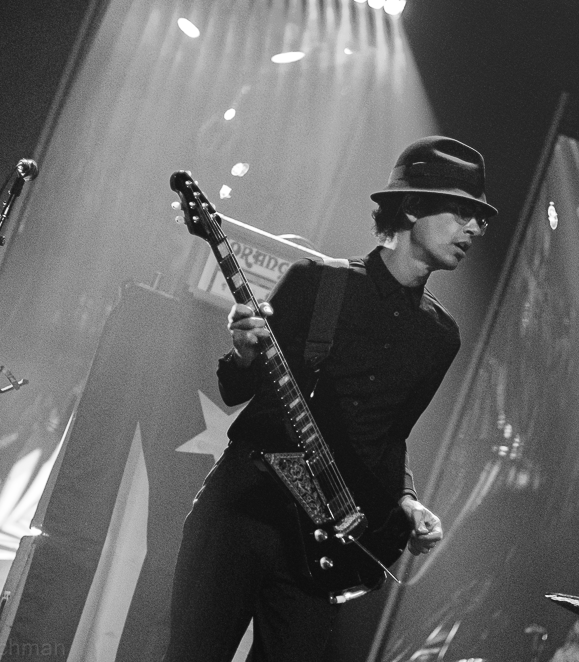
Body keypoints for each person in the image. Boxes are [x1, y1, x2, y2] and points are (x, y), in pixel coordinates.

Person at [164, 136, 498, 662]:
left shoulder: (440, 337)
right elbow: (236, 389)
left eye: (480, 218)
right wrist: (244, 353)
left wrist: (406, 501)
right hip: (243, 513)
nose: (475, 228)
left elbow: (391, 438)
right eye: (462, 212)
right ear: (413, 207)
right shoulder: (317, 283)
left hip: (320, 548)